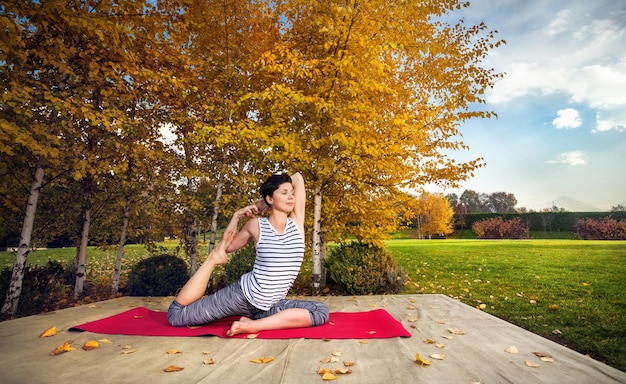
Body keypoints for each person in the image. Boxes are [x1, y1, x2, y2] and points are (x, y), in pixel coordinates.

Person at [167, 172, 329, 336]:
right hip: (242, 296)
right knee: (176, 316)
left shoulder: (296, 221)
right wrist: (236, 216)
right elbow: (228, 248)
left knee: (320, 311)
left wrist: (266, 201)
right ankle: (212, 260)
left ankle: (254, 325)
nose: (291, 197)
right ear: (270, 198)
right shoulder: (256, 225)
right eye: (284, 193)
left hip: (271, 305)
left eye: (292, 193)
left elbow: (298, 178)